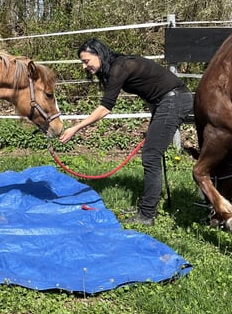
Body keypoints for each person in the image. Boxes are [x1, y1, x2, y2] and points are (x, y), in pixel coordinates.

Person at [59, 37, 193, 226]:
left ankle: (147, 215)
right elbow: (149, 85)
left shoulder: (120, 67)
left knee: (151, 156)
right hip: (166, 102)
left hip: (174, 101)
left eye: (86, 61)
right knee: (151, 154)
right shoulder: (118, 66)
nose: (84, 66)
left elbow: (105, 108)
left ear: (98, 55)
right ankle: (146, 207)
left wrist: (75, 128)